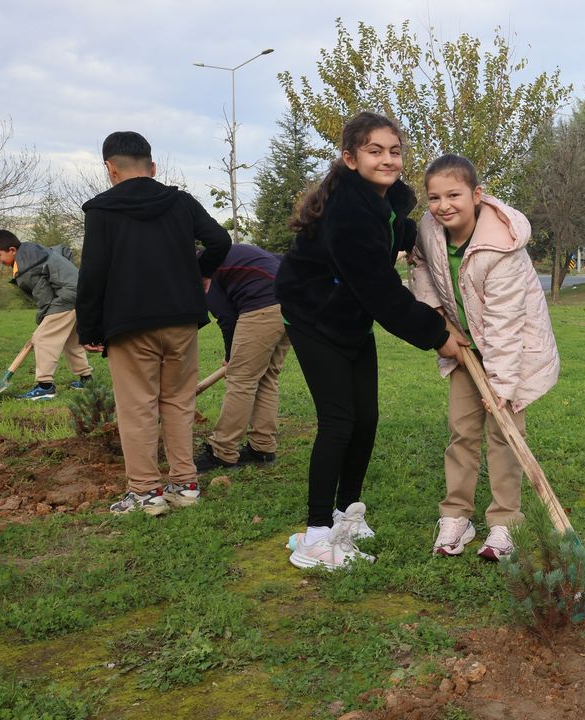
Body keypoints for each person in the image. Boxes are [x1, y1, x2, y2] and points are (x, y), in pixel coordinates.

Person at [275, 112, 465, 571]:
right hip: (315, 316)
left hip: (350, 318)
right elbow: (379, 289)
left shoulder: (389, 203)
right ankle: (317, 536)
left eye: (394, 150)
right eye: (375, 151)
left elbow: (400, 234)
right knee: (339, 421)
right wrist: (438, 336)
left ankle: (347, 513)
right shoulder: (347, 211)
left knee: (367, 419)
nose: (387, 159)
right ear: (350, 157)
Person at [412, 154, 560, 561]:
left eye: (454, 195)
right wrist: (438, 318)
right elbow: (421, 265)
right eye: (435, 197)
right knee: (462, 432)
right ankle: (456, 515)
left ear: (476, 195)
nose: (444, 205)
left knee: (504, 436)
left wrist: (502, 388)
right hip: (463, 348)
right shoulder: (430, 230)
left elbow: (506, 327)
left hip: (513, 351)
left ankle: (505, 522)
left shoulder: (502, 246)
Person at [76, 131, 231, 516]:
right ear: (153, 166)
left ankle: (145, 492)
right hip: (181, 318)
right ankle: (185, 484)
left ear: (111, 169)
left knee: (138, 407)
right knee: (179, 401)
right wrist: (201, 273)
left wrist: (90, 330)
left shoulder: (102, 210)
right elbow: (220, 241)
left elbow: (93, 274)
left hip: (129, 324)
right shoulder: (180, 202)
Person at [194, 242, 290, 473]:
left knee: (241, 380)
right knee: (267, 377)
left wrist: (230, 357)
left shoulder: (208, 269)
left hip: (262, 307)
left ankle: (223, 451)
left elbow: (227, 319)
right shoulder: (234, 253)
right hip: (291, 306)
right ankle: (262, 448)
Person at [0, 230, 93, 399]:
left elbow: (45, 299)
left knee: (43, 338)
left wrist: (42, 323)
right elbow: (63, 252)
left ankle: (45, 386)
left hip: (67, 297)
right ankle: (87, 379)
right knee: (71, 340)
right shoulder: (31, 253)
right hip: (79, 293)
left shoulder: (28, 268)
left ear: (12, 250)